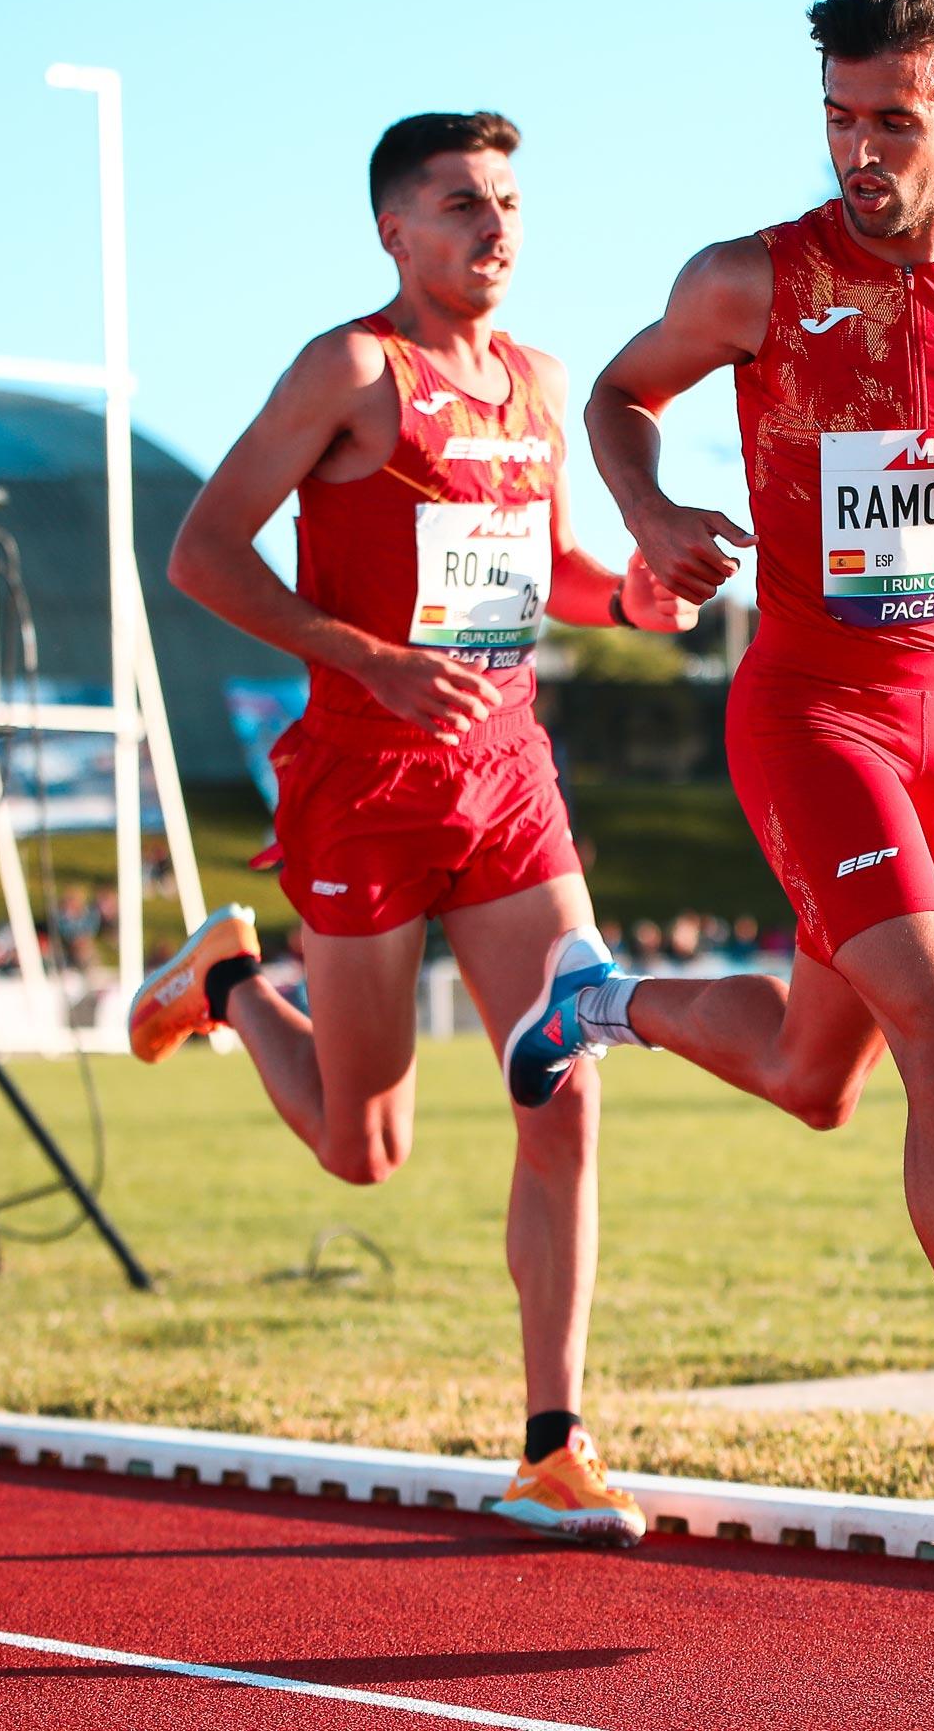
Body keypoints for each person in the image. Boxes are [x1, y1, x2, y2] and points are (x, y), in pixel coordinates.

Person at [537, 0, 934, 1550]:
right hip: (810, 710)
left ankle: (598, 1000)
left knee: (819, 1080)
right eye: (839, 120)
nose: (861, 153)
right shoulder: (751, 278)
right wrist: (657, 515)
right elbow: (621, 397)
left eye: (893, 121)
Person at [131, 110, 694, 1546]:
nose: (494, 229)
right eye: (460, 205)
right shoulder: (351, 371)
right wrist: (367, 659)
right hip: (366, 785)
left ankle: (555, 1442)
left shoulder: (541, 382)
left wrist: (628, 596)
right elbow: (203, 550)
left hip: (506, 777)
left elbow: (537, 567)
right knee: (361, 1147)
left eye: (508, 203)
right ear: (395, 229)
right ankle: (229, 986)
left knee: (566, 1079)